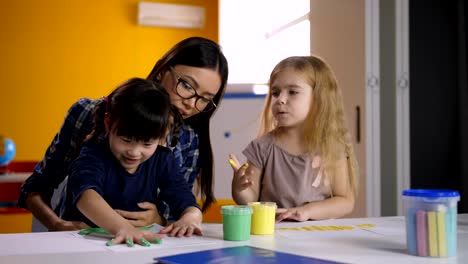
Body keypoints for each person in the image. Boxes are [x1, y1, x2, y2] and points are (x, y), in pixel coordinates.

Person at [18, 36, 228, 234]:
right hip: (81, 241)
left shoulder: (188, 141)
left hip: (141, 245)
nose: (191, 103)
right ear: (162, 70)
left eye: (205, 99)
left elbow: (179, 208)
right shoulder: (90, 117)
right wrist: (56, 224)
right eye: (187, 85)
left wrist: (159, 220)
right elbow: (41, 187)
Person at [62, 78, 201, 245]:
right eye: (126, 140)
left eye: (147, 143)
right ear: (108, 123)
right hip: (85, 241)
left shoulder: (163, 159)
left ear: (163, 136)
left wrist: (191, 216)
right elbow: (86, 197)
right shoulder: (93, 153)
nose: (134, 152)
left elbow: (185, 200)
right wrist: (123, 228)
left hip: (136, 244)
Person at [229, 55, 358, 221]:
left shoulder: (331, 147)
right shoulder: (261, 147)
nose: (280, 99)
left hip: (319, 238)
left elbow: (345, 201)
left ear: (319, 98)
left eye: (293, 92)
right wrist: (240, 190)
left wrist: (307, 211)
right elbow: (250, 201)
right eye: (275, 93)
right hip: (273, 234)